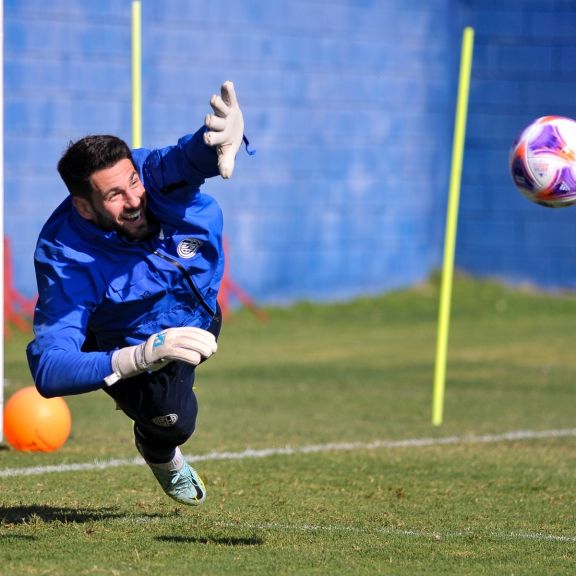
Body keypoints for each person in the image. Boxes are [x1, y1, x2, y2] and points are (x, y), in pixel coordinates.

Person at [26, 81, 246, 506]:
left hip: (195, 315)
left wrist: (220, 137)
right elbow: (49, 369)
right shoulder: (66, 258)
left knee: (185, 378)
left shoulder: (150, 174)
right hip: (125, 340)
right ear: (84, 207)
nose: (133, 200)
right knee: (175, 422)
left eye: (132, 182)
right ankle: (158, 448)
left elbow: (188, 158)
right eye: (114, 195)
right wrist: (140, 356)